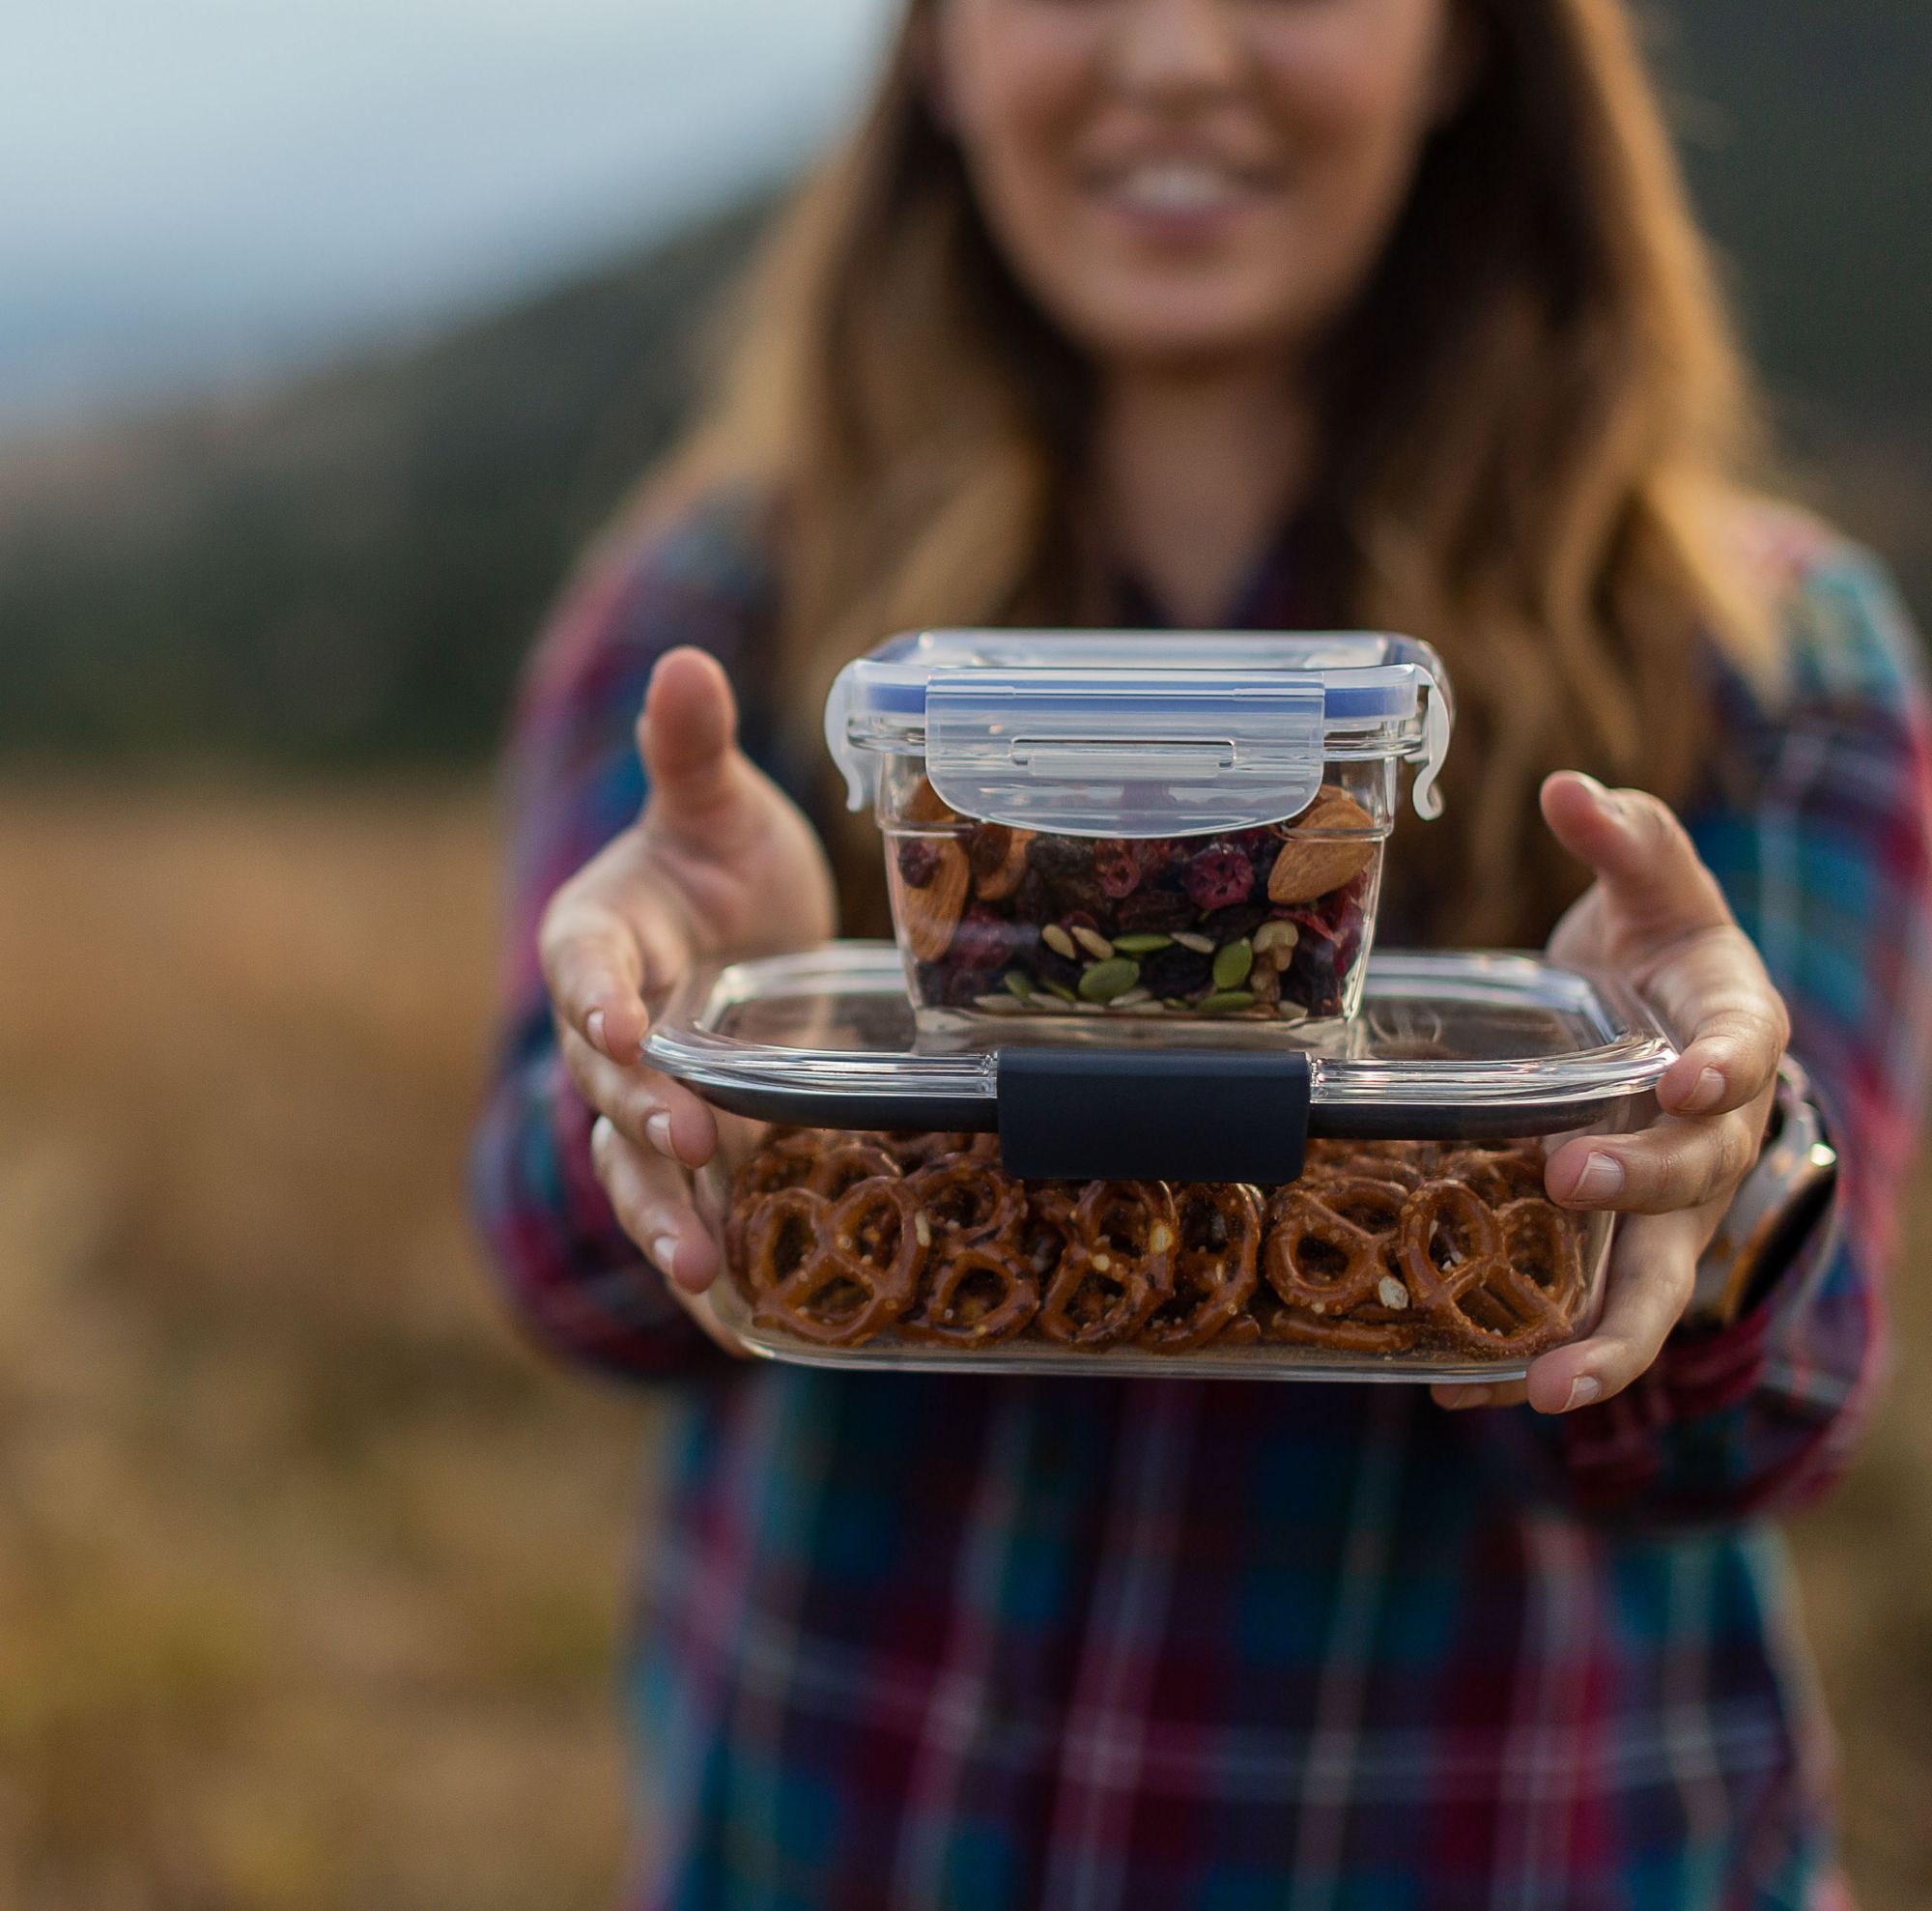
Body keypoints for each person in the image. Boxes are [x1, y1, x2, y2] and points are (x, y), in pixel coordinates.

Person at [471, 0, 1932, 1902]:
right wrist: (677, 1061)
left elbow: (1771, 1417)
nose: (1171, 55)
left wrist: (1698, 1157)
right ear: (938, 46)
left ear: (1471, 43)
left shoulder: (1762, 664)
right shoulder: (705, 617)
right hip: (847, 1828)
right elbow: (560, 1270)